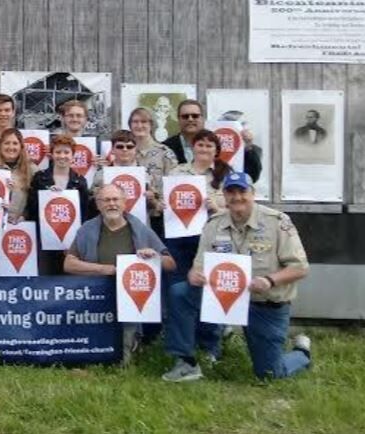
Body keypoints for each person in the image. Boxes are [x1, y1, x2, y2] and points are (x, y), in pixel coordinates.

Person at [162, 172, 311, 382]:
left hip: (263, 303)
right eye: (231, 192)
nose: (237, 197)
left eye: (242, 191)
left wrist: (269, 281)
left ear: (253, 193)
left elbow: (300, 268)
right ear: (224, 195)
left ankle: (301, 352)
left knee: (269, 374)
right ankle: (186, 362)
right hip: (222, 298)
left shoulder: (277, 222)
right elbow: (197, 267)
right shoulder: (213, 224)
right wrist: (194, 276)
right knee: (180, 291)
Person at [63, 184, 175, 360]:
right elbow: (69, 264)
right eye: (106, 200)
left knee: (128, 309)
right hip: (96, 294)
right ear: (98, 205)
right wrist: (106, 270)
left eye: (116, 199)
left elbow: (170, 264)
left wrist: (154, 258)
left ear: (125, 203)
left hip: (130, 296)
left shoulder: (140, 229)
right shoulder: (86, 229)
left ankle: (128, 353)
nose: (111, 204)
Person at [161, 129, 229, 360]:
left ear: (216, 150)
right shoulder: (178, 171)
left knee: (209, 291)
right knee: (178, 291)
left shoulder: (226, 175)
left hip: (212, 240)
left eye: (210, 146)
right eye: (200, 145)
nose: (204, 149)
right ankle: (182, 345)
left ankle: (210, 344)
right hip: (179, 239)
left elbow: (237, 210)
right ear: (193, 148)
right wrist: (162, 205)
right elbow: (166, 202)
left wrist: (217, 208)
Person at [25, 135, 93, 274]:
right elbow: (31, 209)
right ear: (51, 155)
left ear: (73, 155)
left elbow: (84, 214)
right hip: (43, 240)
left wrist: (74, 242)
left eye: (66, 152)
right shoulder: (40, 178)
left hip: (70, 243)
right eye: (58, 152)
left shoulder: (80, 181)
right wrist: (48, 197)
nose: (62, 156)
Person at [163, 100, 262, 182]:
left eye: (195, 116)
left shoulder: (218, 142)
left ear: (203, 118)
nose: (190, 119)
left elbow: (252, 176)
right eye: (185, 116)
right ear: (178, 119)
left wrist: (248, 147)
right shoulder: (166, 147)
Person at [127, 108, 179, 227]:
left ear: (151, 125)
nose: (139, 125)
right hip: (130, 215)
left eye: (144, 122)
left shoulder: (165, 153)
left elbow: (173, 183)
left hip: (158, 216)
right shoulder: (123, 151)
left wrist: (159, 203)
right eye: (135, 122)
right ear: (130, 125)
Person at [0, 129, 37, 222]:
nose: (11, 147)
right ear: (0, 146)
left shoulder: (32, 170)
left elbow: (35, 201)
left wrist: (25, 216)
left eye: (15, 143)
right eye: (7, 143)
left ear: (21, 147)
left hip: (19, 226)